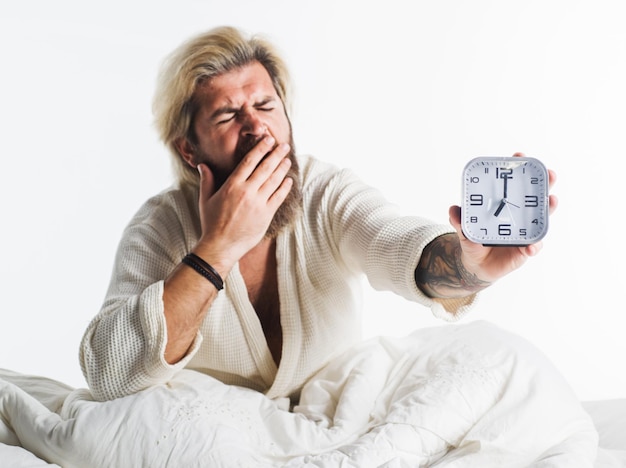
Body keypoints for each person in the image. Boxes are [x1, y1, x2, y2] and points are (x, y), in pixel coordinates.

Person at [79, 26, 557, 402]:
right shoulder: (159, 226)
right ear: (189, 149)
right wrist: (217, 248)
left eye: (266, 105)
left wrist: (471, 263)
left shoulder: (325, 192)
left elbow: (392, 240)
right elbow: (110, 372)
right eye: (227, 116)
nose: (256, 128)